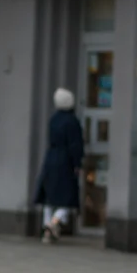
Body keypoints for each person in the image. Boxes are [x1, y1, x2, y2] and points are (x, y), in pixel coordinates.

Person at [33, 87, 85, 243]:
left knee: (49, 197)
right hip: (65, 162)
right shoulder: (72, 121)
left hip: (50, 159)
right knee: (67, 197)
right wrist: (77, 163)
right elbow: (75, 145)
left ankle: (47, 227)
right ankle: (53, 223)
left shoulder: (53, 120)